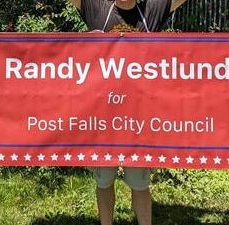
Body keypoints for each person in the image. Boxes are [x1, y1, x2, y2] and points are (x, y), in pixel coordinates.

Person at [67, 1, 187, 225]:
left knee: (140, 183)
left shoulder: (152, 9)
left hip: (139, 121)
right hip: (103, 119)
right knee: (104, 181)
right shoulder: (98, 8)